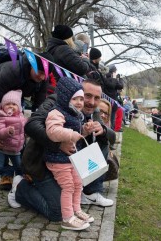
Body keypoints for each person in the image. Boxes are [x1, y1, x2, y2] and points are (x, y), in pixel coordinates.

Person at [10, 79, 115, 221]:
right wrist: (59, 144)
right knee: (59, 212)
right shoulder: (57, 101)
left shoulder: (94, 111)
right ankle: (21, 188)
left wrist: (102, 130)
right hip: (42, 163)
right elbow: (31, 125)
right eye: (87, 95)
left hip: (69, 163)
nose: (91, 102)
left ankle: (90, 191)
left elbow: (112, 136)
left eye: (97, 98)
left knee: (102, 141)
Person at [0, 51, 48, 191]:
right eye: (39, 72)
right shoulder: (12, 71)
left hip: (17, 94)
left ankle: (22, 170)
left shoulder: (43, 78)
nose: (41, 77)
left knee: (16, 128)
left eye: (44, 74)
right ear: (31, 66)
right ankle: (5, 173)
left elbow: (39, 106)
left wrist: (31, 128)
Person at [45, 77, 94, 230]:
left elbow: (77, 137)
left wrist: (84, 131)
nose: (80, 102)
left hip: (71, 159)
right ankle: (67, 217)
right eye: (75, 99)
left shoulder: (76, 115)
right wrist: (71, 134)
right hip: (58, 160)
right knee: (68, 186)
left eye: (81, 98)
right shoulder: (56, 113)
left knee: (78, 183)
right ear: (66, 98)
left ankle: (76, 210)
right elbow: (53, 131)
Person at [0, 90, 26, 200]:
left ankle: (21, 187)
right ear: (3, 106)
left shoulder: (21, 117)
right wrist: (7, 131)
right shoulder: (1, 117)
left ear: (18, 106)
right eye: (8, 104)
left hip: (15, 149)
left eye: (14, 104)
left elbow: (24, 129)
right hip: (2, 147)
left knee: (19, 168)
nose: (11, 106)